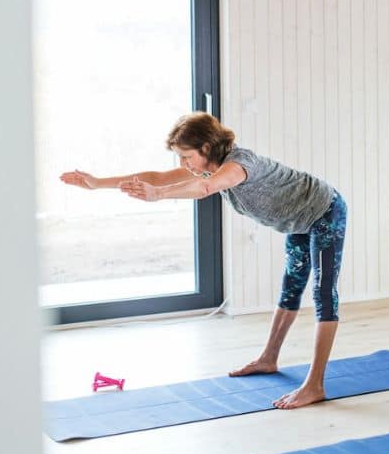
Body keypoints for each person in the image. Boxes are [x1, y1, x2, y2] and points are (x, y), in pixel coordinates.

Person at [60, 112, 347, 409]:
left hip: (325, 211)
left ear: (207, 148)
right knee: (291, 288)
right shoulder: (207, 168)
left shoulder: (239, 165)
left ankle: (314, 385)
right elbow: (157, 178)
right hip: (298, 222)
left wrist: (159, 195)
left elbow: (205, 188)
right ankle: (268, 359)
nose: (184, 165)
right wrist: (97, 183)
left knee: (323, 293)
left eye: (187, 157)